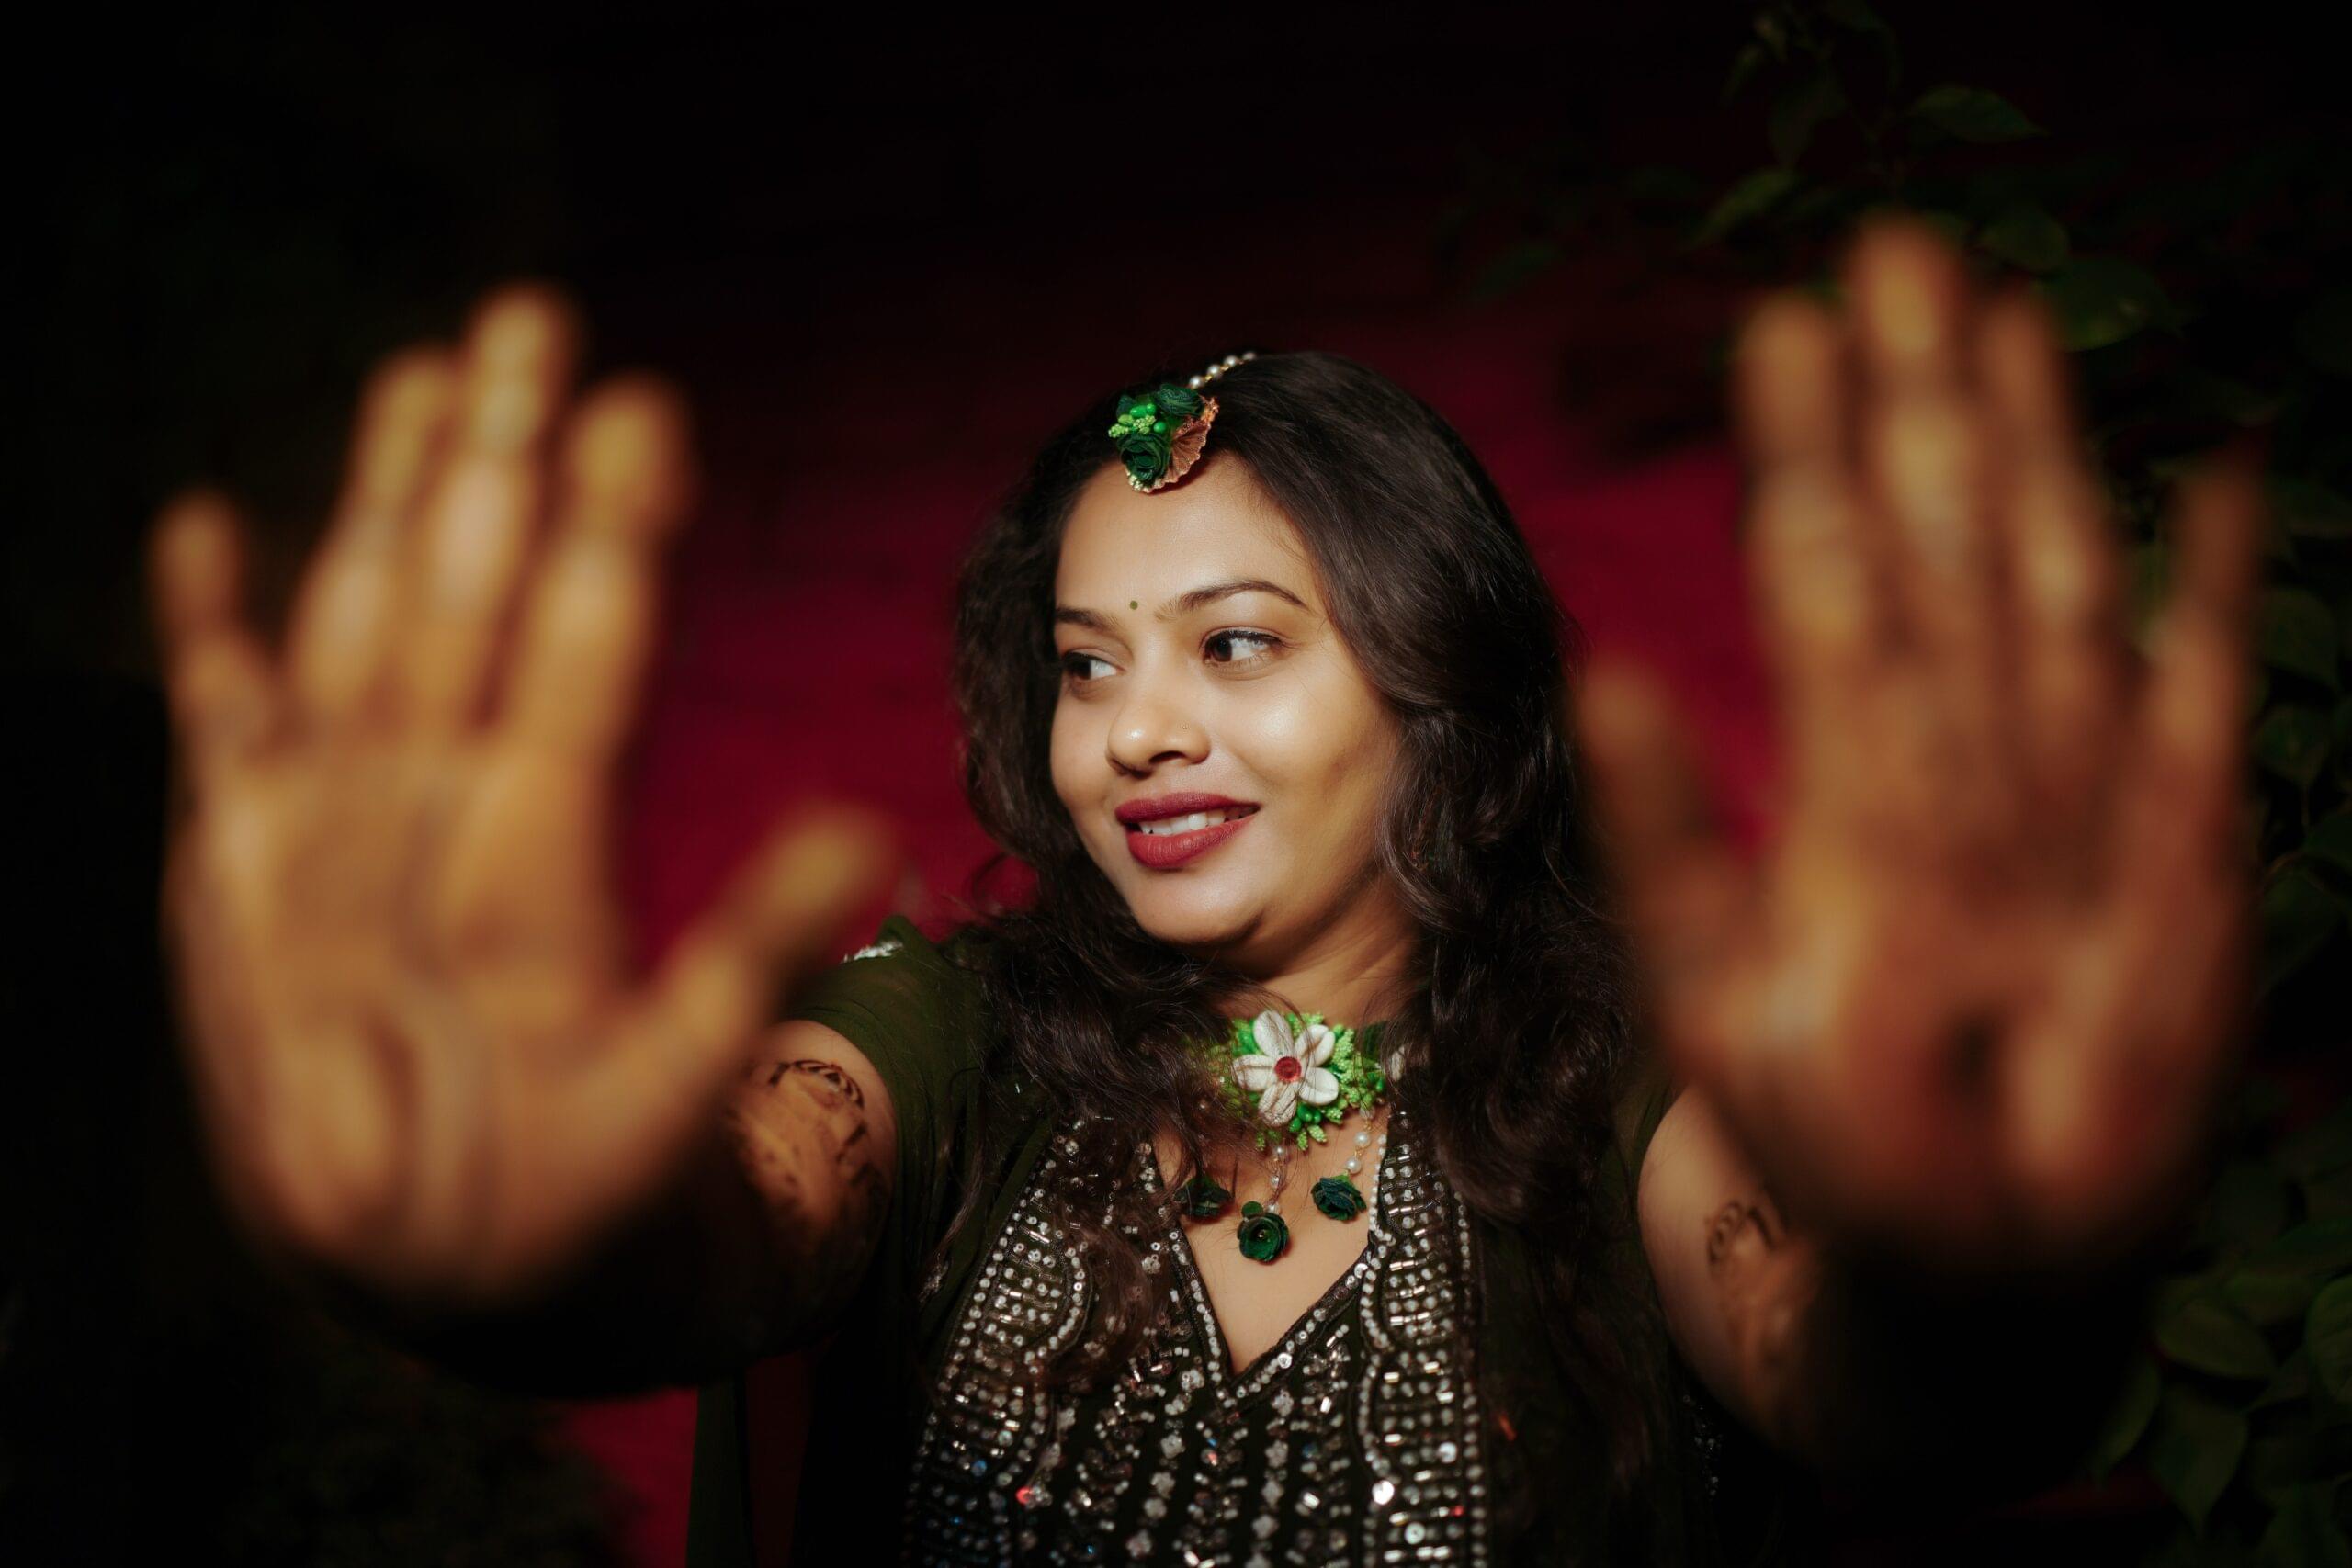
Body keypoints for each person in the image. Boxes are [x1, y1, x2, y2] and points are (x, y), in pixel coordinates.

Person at [144, 218, 2262, 1565]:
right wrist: (530, 1246)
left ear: (1435, 681)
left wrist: (1986, 1284)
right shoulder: (950, 1037)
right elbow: (747, 1198)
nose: (1131, 730)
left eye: (1232, 642)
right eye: (1085, 664)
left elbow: (1830, 1350)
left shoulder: (1624, 1078)